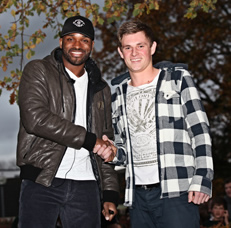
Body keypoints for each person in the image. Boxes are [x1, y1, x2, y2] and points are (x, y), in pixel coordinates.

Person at [94, 19, 214, 228]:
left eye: (140, 45)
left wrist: (203, 177)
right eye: (128, 47)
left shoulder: (177, 79)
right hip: (138, 197)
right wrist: (113, 153)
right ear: (120, 52)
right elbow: (124, 149)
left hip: (177, 191)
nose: (134, 53)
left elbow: (200, 130)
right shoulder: (118, 95)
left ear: (152, 47)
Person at [16, 15, 119, 228]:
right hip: (42, 178)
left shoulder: (101, 88)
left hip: (87, 185)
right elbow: (35, 118)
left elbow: (107, 139)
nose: (77, 45)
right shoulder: (38, 70)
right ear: (61, 42)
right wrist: (91, 141)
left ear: (91, 45)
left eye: (84, 40)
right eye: (70, 38)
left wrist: (109, 193)